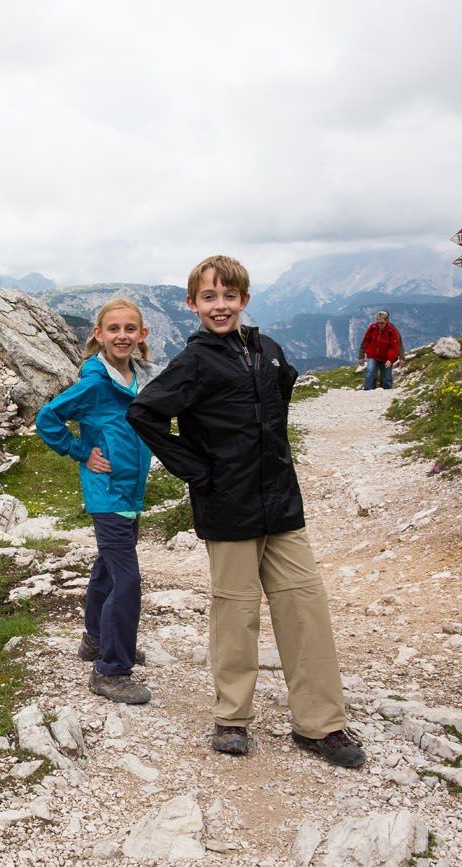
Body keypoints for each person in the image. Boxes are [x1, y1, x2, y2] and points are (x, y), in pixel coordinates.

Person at [126, 255, 365, 768]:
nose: (220, 306)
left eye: (229, 296)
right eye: (209, 297)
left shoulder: (269, 351)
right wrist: (198, 469)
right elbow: (143, 413)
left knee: (305, 607)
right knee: (235, 613)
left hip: (281, 501)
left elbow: (281, 397)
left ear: (245, 300)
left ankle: (320, 724)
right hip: (227, 504)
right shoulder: (192, 362)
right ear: (192, 304)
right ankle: (231, 718)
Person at [36, 299, 160, 705]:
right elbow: (48, 417)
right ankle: (111, 669)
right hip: (107, 492)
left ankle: (95, 639)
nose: (121, 336)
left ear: (141, 335)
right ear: (98, 334)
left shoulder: (134, 376)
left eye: (130, 329)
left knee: (108, 567)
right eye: (113, 329)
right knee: (127, 580)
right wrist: (78, 451)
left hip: (129, 490)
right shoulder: (94, 381)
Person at [358, 310, 402, 390]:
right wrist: (361, 356)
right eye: (378, 322)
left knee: (386, 377)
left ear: (386, 321)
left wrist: (390, 359)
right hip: (373, 356)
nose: (380, 325)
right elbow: (365, 341)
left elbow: (394, 347)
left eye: (382, 323)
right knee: (370, 372)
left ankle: (387, 392)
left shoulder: (392, 330)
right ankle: (367, 391)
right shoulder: (373, 327)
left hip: (386, 358)